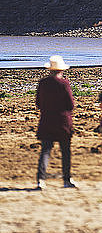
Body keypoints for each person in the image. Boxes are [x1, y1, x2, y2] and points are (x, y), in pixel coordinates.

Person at [35, 55, 78, 189]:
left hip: (47, 120)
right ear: (61, 70)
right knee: (65, 151)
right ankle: (67, 180)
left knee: (46, 151)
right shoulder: (64, 83)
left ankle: (41, 180)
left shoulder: (43, 83)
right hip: (62, 121)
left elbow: (38, 103)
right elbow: (70, 104)